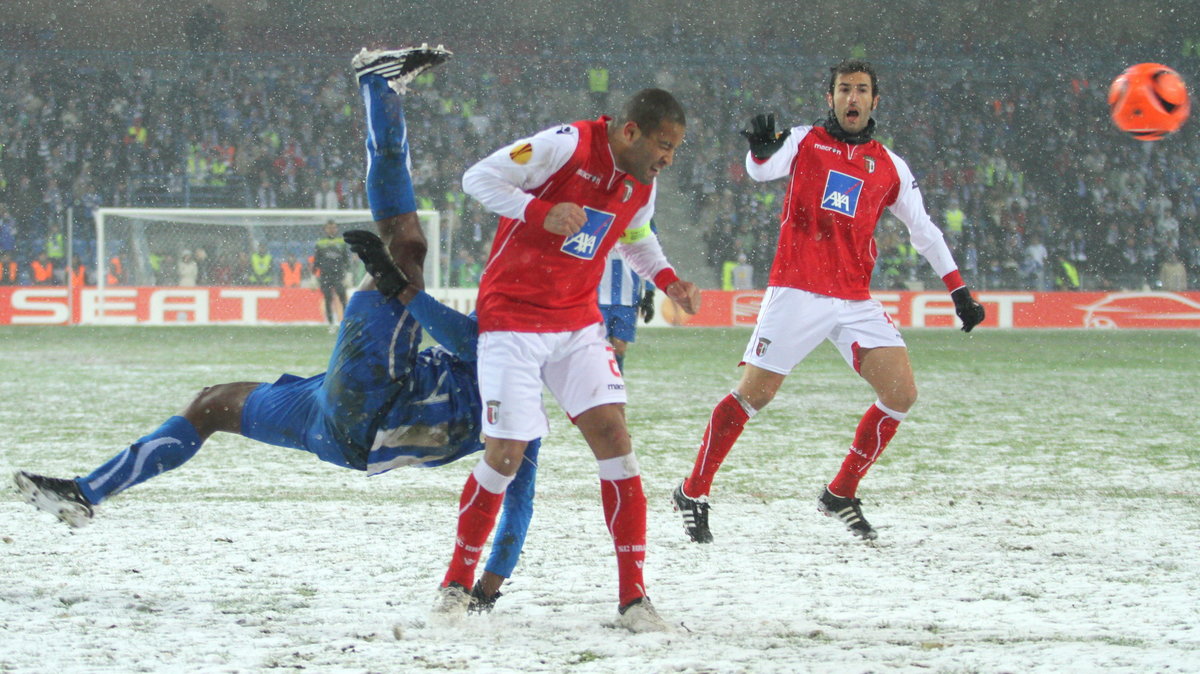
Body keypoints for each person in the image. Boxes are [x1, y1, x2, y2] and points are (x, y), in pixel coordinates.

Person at [13, 45, 528, 612]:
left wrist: (403, 290)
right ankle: (84, 493)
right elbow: (518, 507)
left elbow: (473, 343)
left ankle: (379, 88)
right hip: (341, 433)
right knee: (212, 405)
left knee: (404, 247)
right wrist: (487, 591)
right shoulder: (527, 420)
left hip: (377, 401)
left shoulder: (511, 355)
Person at [672, 60, 985, 545]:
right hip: (797, 289)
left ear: (875, 101)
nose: (852, 98)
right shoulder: (803, 141)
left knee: (901, 394)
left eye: (861, 90)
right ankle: (693, 491)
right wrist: (759, 147)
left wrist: (958, 288)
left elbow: (924, 231)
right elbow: (762, 171)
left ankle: (840, 492)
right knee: (753, 395)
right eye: (844, 90)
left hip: (854, 299)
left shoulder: (890, 167)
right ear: (831, 98)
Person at [436, 87, 702, 632]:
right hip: (512, 318)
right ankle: (456, 585)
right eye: (663, 145)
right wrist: (540, 210)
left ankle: (634, 599)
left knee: (616, 441)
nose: (668, 158)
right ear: (630, 132)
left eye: (675, 148)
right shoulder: (566, 146)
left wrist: (669, 280)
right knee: (505, 455)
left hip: (577, 322)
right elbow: (478, 179)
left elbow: (635, 238)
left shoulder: (641, 183)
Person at [597, 224, 658, 373]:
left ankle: (615, 388)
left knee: (619, 348)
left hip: (627, 298)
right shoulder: (599, 211)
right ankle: (598, 390)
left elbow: (651, 255)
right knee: (597, 349)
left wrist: (649, 294)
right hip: (597, 297)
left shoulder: (643, 218)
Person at [314, 219, 350, 329]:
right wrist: (313, 275)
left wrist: (348, 274)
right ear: (325, 229)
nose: (331, 230)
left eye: (334, 227)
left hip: (338, 275)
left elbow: (346, 260)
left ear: (337, 229)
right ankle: (330, 323)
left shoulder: (341, 242)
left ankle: (345, 322)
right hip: (325, 275)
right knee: (328, 298)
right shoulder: (320, 243)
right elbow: (316, 261)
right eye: (329, 228)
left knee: (342, 298)